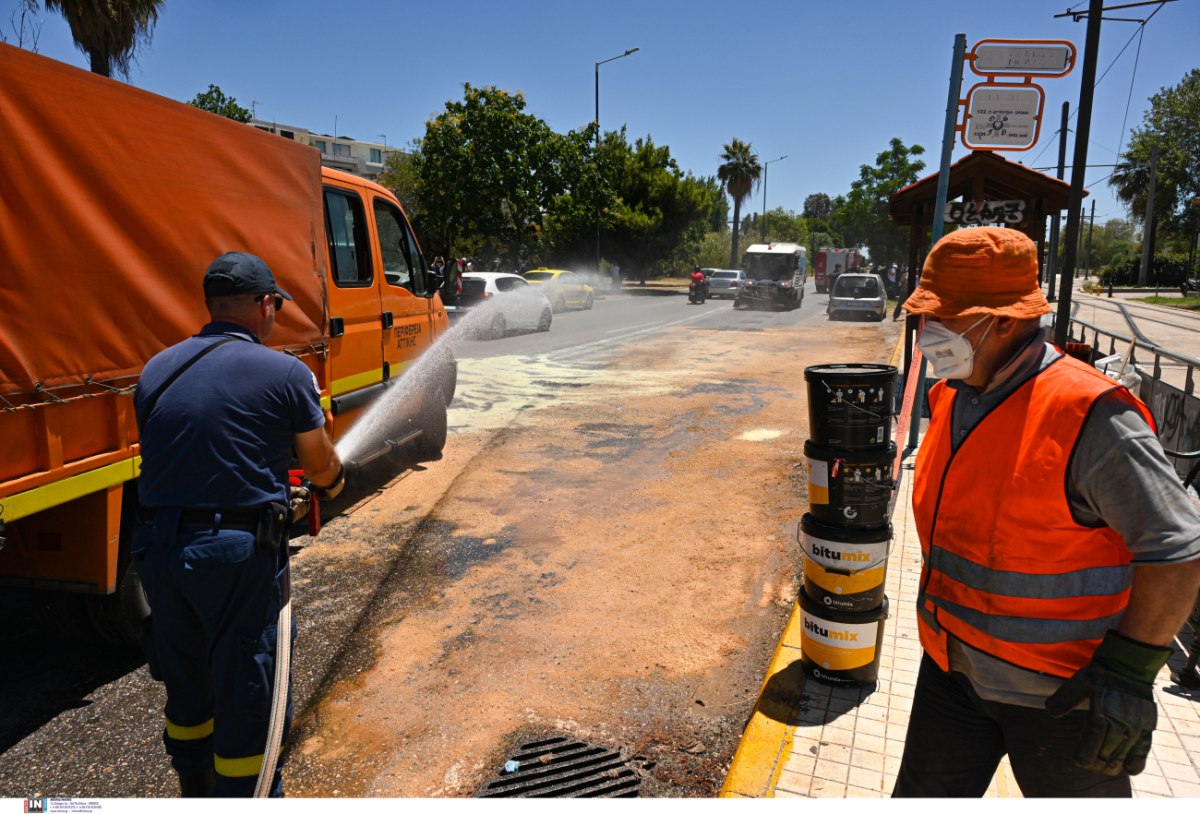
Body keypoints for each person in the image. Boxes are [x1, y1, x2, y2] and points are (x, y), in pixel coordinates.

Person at [893, 227, 1200, 798]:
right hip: (952, 673)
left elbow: (1179, 551)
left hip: (1061, 699)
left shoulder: (1092, 416)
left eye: (947, 316)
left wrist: (1130, 671)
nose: (930, 330)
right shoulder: (951, 395)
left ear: (1003, 321)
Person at [134, 252, 346, 797]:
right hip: (234, 555)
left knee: (186, 681)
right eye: (276, 305)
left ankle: (194, 788)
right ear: (265, 304)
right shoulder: (287, 372)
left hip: (158, 549)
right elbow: (319, 464)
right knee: (248, 688)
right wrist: (332, 483)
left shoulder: (157, 369)